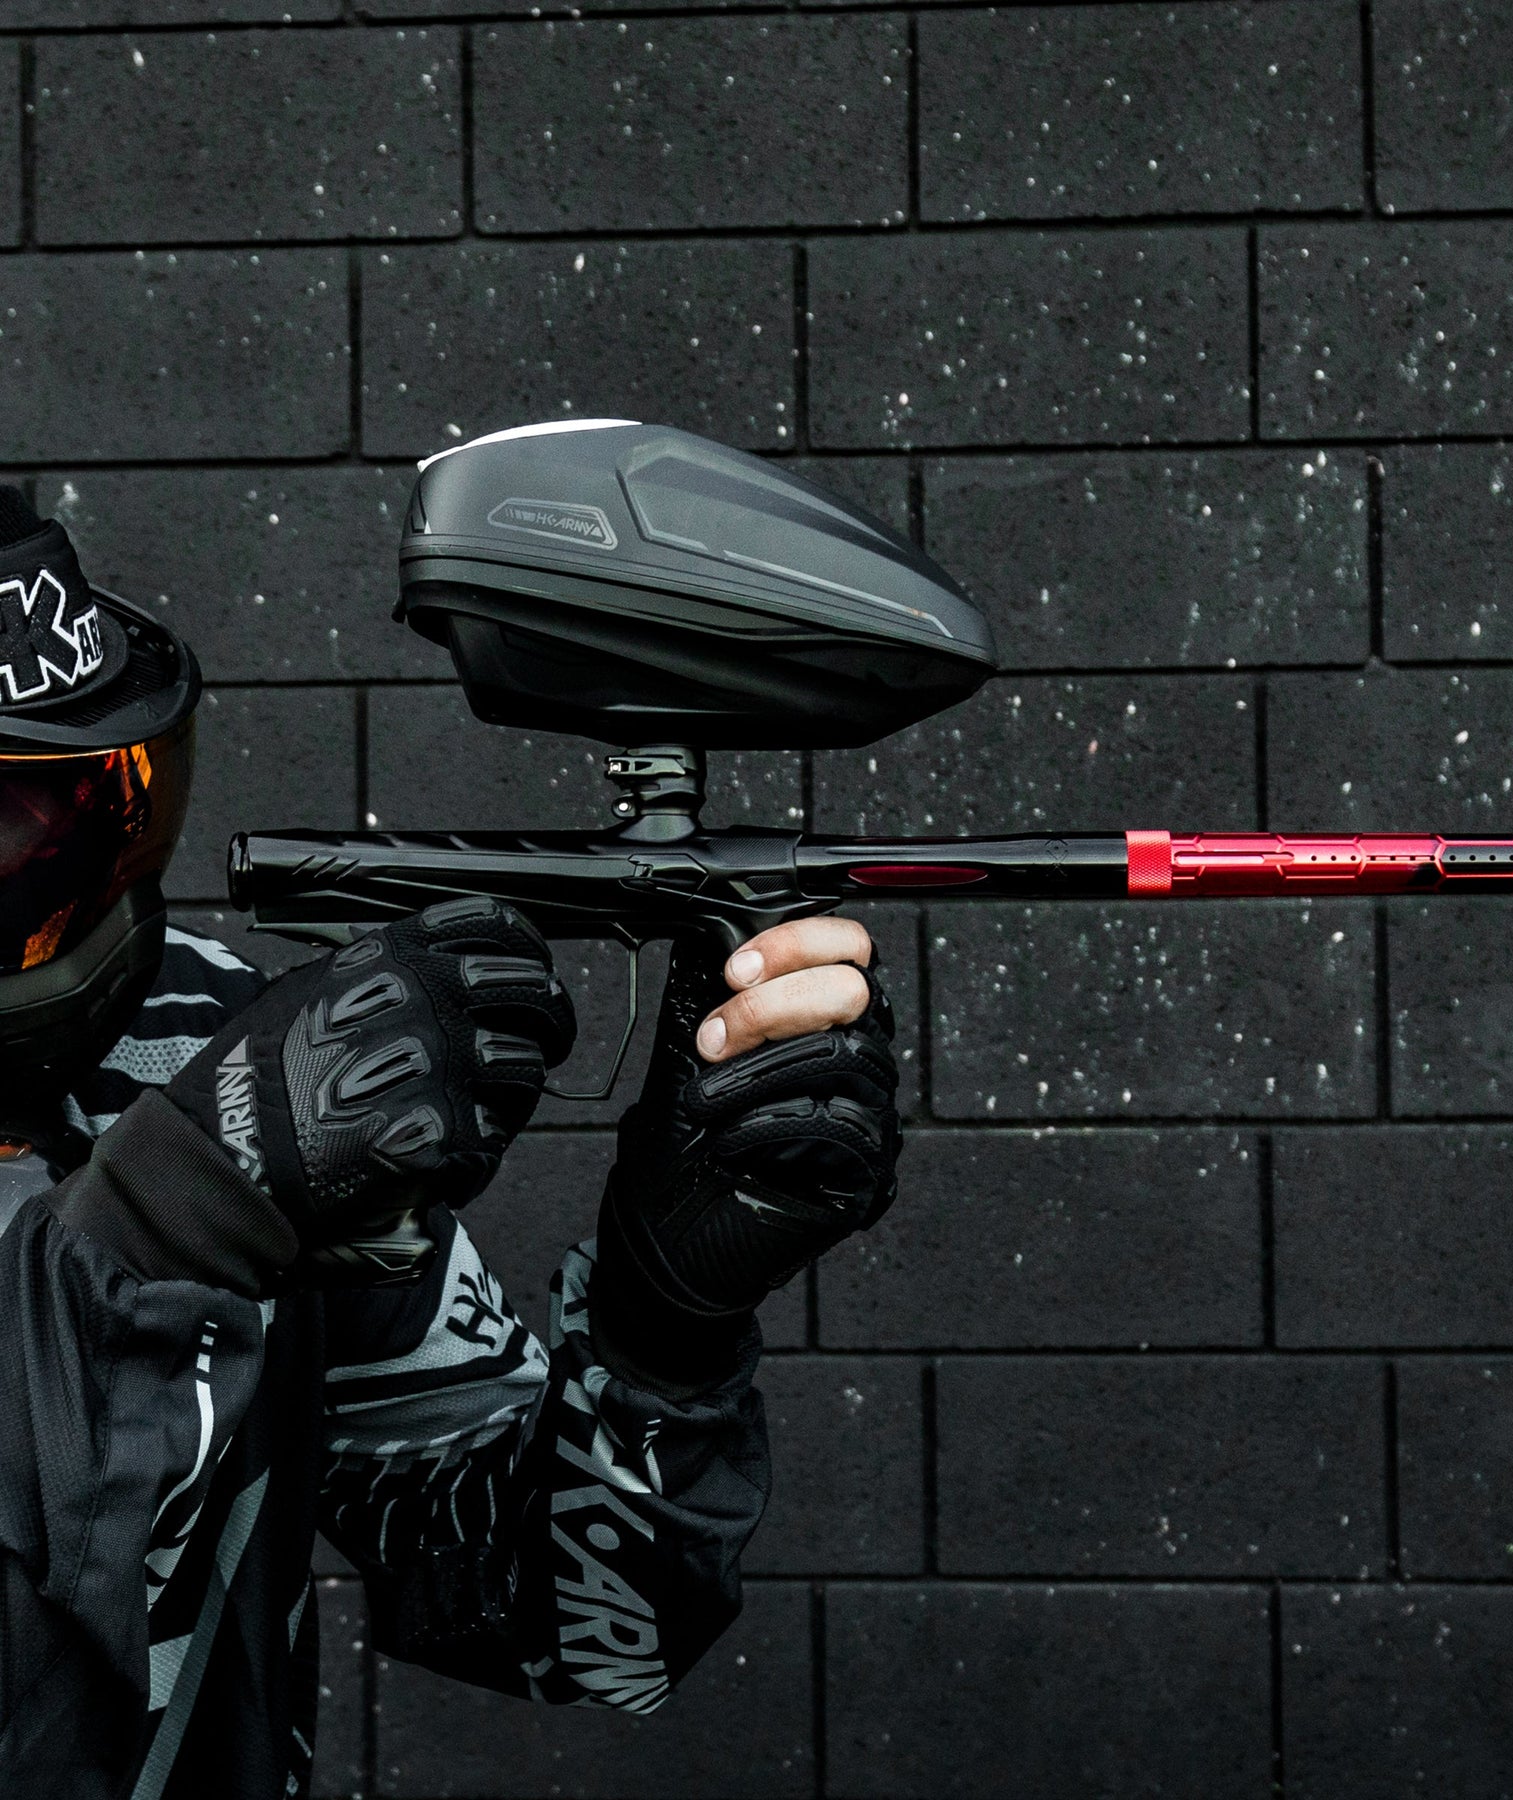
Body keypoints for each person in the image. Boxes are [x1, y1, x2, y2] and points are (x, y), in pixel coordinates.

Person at [0, 488, 902, 1795]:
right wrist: (161, 1223)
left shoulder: (202, 1044)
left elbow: (584, 1633)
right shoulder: (216, 1128)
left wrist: (665, 1326)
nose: (39, 863)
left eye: (55, 812)